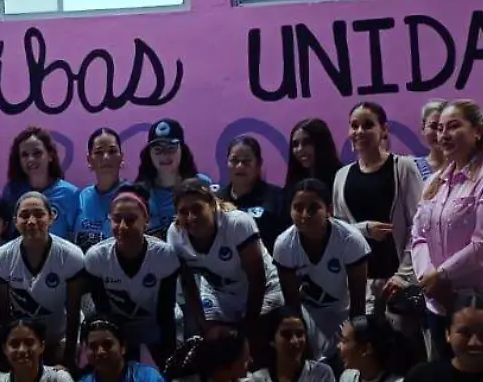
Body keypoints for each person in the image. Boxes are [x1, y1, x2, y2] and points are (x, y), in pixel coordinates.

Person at [408, 100, 483, 358]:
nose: (444, 135)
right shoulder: (435, 180)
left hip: (479, 305)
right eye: (440, 128)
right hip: (437, 303)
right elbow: (418, 236)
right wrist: (428, 277)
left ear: (477, 131)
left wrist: (442, 275)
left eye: (454, 127)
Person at [169, 180, 281, 355]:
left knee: (254, 345)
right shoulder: (175, 234)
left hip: (263, 288)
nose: (191, 217)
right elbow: (187, 283)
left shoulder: (238, 223)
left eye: (197, 209)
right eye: (183, 212)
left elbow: (257, 278)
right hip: (219, 291)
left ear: (212, 205)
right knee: (212, 346)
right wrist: (202, 323)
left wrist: (249, 326)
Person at [333, 103, 424, 315]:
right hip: (360, 286)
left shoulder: (403, 168)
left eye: (367, 125)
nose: (359, 132)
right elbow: (338, 232)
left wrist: (404, 275)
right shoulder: (342, 176)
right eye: (354, 126)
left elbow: (419, 226)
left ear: (384, 130)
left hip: (398, 282)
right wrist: (365, 229)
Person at [275, 178, 370, 364]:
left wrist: (352, 338)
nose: (304, 215)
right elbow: (292, 304)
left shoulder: (350, 240)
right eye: (298, 207)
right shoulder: (284, 245)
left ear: (329, 210)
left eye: (313, 208)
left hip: (346, 309)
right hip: (309, 314)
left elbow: (358, 303)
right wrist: (305, 344)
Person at [82, 188, 180, 367]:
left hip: (154, 328)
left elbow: (165, 313)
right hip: (117, 331)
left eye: (130, 219)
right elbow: (102, 312)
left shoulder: (164, 256)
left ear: (146, 221)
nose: (122, 226)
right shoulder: (97, 258)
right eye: (117, 219)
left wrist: (168, 360)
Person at [0, 191, 87, 366]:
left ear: (51, 217)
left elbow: (73, 311)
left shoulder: (71, 255)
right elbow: (3, 314)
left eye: (39, 214)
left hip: (60, 335)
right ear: (15, 221)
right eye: (24, 216)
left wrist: (69, 357)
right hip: (22, 337)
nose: (32, 221)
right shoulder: (2, 257)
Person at [3, 126, 80, 239]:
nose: (31, 159)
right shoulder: (11, 191)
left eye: (37, 153)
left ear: (50, 155)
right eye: (25, 155)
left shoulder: (70, 194)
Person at [136, 118, 209, 234]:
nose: (165, 155)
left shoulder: (202, 185)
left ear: (182, 150)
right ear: (149, 154)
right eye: (158, 150)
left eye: (171, 148)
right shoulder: (139, 193)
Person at [218, 135, 289, 251]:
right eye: (234, 160)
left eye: (246, 161)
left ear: (258, 164)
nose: (240, 166)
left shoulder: (277, 198)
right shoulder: (217, 199)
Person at [72, 127, 128, 250]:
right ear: (89, 159)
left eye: (112, 151)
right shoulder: (80, 198)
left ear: (121, 157)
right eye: (98, 152)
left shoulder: (134, 196)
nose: (106, 157)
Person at [285, 117, 343, 191]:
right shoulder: (292, 184)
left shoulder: (342, 179)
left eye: (307, 142)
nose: (300, 149)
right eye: (295, 144)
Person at [409, 100, 448, 181]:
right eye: (434, 126)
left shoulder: (465, 167)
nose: (439, 133)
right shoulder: (411, 168)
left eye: (446, 127)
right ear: (423, 127)